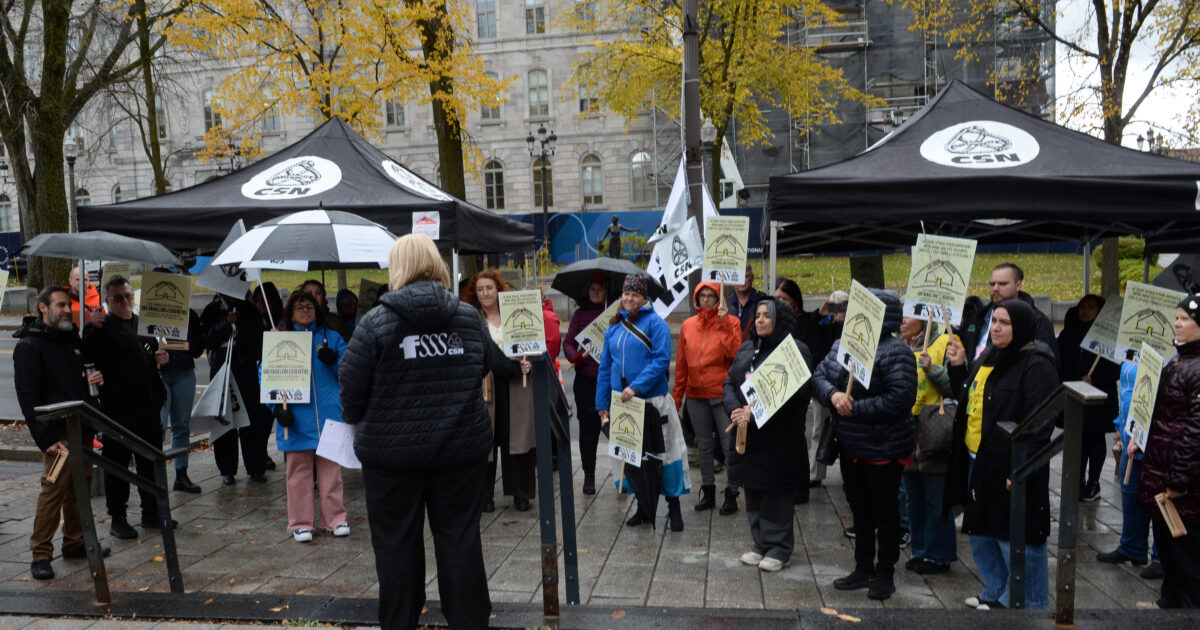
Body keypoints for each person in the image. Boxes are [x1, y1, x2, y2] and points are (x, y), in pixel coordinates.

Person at [340, 234, 524, 630]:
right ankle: (470, 621)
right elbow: (488, 364)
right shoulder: (468, 317)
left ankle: (400, 621)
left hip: (392, 458)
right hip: (459, 451)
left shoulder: (375, 323)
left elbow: (351, 393)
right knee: (460, 540)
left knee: (395, 546)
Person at [945, 299, 1058, 610]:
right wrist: (958, 369)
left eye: (1005, 323)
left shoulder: (1037, 364)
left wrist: (1021, 468)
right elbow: (968, 399)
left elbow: (1041, 423)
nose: (996, 328)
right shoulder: (988, 357)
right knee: (981, 531)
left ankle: (1029, 602)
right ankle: (996, 592)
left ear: (1020, 327)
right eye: (994, 321)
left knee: (1017, 538)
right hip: (977, 459)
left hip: (1011, 465)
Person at [812, 288, 917, 601]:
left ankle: (885, 572)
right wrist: (833, 395)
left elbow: (900, 399)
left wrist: (854, 407)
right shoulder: (844, 344)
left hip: (884, 449)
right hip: (851, 447)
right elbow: (819, 375)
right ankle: (862, 567)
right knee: (859, 511)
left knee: (885, 513)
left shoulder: (896, 351)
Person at [14, 287, 110, 580]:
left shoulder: (73, 341)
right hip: (57, 435)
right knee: (53, 491)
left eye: (69, 305)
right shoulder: (30, 347)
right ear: (43, 308)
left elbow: (79, 385)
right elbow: (27, 398)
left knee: (79, 489)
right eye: (60, 305)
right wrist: (45, 439)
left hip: (81, 429)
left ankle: (75, 541)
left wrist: (93, 381)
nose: (67, 309)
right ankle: (40, 554)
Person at [724, 298, 814, 572]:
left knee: (776, 494)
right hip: (748, 437)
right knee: (753, 490)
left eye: (767, 315)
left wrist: (758, 412)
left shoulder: (795, 351)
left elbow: (797, 395)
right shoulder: (747, 348)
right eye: (758, 315)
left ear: (780, 320)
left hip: (779, 439)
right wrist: (735, 410)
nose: (760, 320)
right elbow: (729, 382)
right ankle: (761, 542)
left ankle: (779, 547)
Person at [596, 274, 691, 531]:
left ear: (644, 297)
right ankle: (643, 507)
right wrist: (602, 402)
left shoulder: (656, 324)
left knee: (665, 455)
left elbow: (660, 361)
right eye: (626, 294)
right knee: (633, 459)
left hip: (653, 402)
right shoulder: (613, 329)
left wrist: (636, 387)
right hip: (623, 404)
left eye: (635, 295)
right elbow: (605, 368)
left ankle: (674, 507)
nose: (629, 298)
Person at [85, 276, 172, 540]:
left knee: (150, 461)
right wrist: (90, 325)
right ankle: (118, 517)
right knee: (118, 464)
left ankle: (151, 511)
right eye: (118, 298)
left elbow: (154, 356)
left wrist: (161, 359)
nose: (125, 302)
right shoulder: (100, 328)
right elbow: (85, 356)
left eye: (128, 296)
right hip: (118, 408)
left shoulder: (143, 325)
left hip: (147, 405)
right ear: (107, 301)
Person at [266, 291, 350, 543]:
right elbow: (266, 377)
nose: (305, 310)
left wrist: (335, 361)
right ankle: (300, 523)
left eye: (310, 306)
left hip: (328, 416)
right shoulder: (279, 340)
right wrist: (276, 409)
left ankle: (335, 519)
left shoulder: (332, 337)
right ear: (290, 312)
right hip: (296, 418)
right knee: (298, 472)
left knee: (331, 472)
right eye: (300, 307)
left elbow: (349, 370)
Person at [1134, 294, 1200, 608]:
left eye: (1185, 319)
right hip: (1163, 470)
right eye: (1176, 317)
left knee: (1187, 554)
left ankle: (1187, 611)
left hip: (1183, 483)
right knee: (1168, 545)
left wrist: (1178, 479)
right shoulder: (1179, 360)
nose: (1177, 323)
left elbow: (1195, 432)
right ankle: (1168, 603)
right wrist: (1138, 436)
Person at [462, 270, 537, 512]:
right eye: (480, 289)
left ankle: (520, 493)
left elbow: (532, 344)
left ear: (499, 289)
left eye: (489, 288)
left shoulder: (514, 315)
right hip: (485, 384)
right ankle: (484, 495)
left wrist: (528, 363)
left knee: (517, 438)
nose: (485, 293)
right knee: (485, 441)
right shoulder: (471, 319)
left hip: (517, 383)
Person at [674, 281, 742, 515]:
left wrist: (723, 324)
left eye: (710, 295)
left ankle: (732, 493)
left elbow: (735, 355)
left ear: (718, 298)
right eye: (701, 295)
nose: (705, 300)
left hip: (721, 394)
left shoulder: (732, 322)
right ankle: (709, 490)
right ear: (696, 298)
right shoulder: (688, 325)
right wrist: (676, 399)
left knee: (728, 446)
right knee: (703, 446)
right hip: (695, 395)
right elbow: (681, 365)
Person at [898, 317, 959, 575]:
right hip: (907, 428)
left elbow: (956, 385)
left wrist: (933, 369)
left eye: (907, 315)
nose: (901, 320)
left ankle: (939, 554)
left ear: (924, 319)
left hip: (934, 426)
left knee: (936, 496)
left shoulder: (946, 341)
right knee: (914, 497)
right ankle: (921, 550)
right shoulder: (901, 346)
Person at [1096, 360, 1162, 579]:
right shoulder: (1130, 351)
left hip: (1157, 441)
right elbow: (1127, 392)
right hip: (1130, 439)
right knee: (1130, 494)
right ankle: (1132, 546)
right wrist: (1119, 425)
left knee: (1159, 500)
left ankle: (1162, 558)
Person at [200, 292, 272, 484]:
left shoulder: (249, 310)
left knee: (251, 418)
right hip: (221, 370)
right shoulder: (211, 310)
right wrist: (225, 323)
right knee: (224, 419)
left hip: (245, 369)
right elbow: (205, 340)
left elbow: (260, 338)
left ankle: (256, 467)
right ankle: (227, 470)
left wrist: (240, 332)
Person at [1056, 294, 1119, 501]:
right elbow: (1060, 360)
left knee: (1095, 438)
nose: (1084, 311)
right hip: (1074, 395)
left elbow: (1117, 369)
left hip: (1099, 399)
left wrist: (1096, 378)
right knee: (1078, 438)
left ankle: (1094, 482)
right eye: (1082, 306)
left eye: (1090, 308)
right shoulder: (1068, 334)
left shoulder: (1108, 338)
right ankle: (1078, 480)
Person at [776, 277, 824, 502]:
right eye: (777, 298)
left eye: (784, 299)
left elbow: (811, 354)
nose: (780, 302)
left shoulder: (805, 323)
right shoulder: (775, 320)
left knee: (798, 438)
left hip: (798, 388)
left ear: (795, 301)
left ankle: (801, 487)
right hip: (780, 385)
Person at [961, 263, 1059, 369]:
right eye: (992, 284)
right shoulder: (977, 318)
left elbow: (1046, 365)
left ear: (1018, 285)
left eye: (1002, 284)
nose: (996, 288)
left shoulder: (1038, 321)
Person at [563, 274, 608, 495]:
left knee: (618, 429)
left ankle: (628, 475)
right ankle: (589, 474)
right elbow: (568, 342)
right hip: (587, 381)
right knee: (588, 430)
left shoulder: (616, 314)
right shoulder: (580, 314)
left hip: (611, 381)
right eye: (593, 288)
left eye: (600, 289)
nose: (596, 292)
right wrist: (574, 357)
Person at [160, 305, 205, 493]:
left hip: (184, 372)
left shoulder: (188, 314)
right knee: (159, 426)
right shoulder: (147, 312)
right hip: (159, 374)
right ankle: (157, 476)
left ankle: (181, 475)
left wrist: (184, 345)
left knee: (181, 424)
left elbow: (198, 346)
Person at [727, 265, 768, 339]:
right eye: (738, 276)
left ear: (752, 278)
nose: (742, 280)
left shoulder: (763, 300)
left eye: (746, 276)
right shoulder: (725, 303)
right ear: (732, 279)